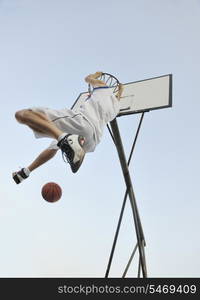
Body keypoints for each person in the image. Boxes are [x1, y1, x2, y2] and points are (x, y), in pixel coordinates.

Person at [12, 71, 123, 184]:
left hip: (83, 122)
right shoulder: (116, 108)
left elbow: (88, 78)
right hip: (91, 142)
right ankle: (25, 172)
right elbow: (117, 97)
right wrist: (120, 91)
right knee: (56, 144)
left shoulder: (103, 88)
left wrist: (95, 75)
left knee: (23, 114)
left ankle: (64, 139)